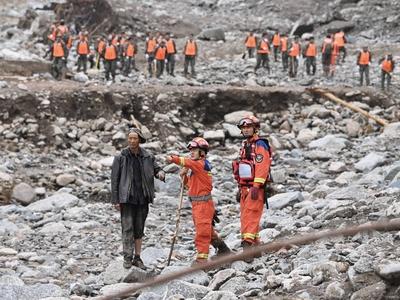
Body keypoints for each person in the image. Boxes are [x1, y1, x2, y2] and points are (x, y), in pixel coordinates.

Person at [166, 137, 231, 265]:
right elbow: (190, 186)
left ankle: (202, 260)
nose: (192, 152)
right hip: (198, 204)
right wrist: (183, 176)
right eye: (191, 150)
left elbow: (186, 161)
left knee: (202, 232)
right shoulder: (196, 169)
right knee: (208, 230)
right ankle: (224, 250)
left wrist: (173, 158)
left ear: (202, 152)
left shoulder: (200, 164)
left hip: (203, 205)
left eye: (195, 150)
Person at [111, 128, 165, 269]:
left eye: (135, 138)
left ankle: (138, 257)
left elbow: (157, 169)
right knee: (127, 228)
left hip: (142, 198)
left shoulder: (147, 156)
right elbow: (114, 180)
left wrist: (160, 173)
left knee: (139, 229)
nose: (132, 141)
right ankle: (127, 258)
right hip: (127, 198)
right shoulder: (121, 157)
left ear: (140, 140)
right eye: (130, 138)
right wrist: (115, 199)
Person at [232, 116, 272, 262]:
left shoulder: (260, 144)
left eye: (248, 127)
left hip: (255, 188)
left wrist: (257, 185)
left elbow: (262, 165)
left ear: (255, 128)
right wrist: (239, 187)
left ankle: (247, 247)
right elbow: (241, 167)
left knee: (251, 215)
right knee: (245, 217)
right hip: (244, 188)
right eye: (243, 128)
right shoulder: (245, 145)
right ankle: (255, 248)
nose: (246, 129)